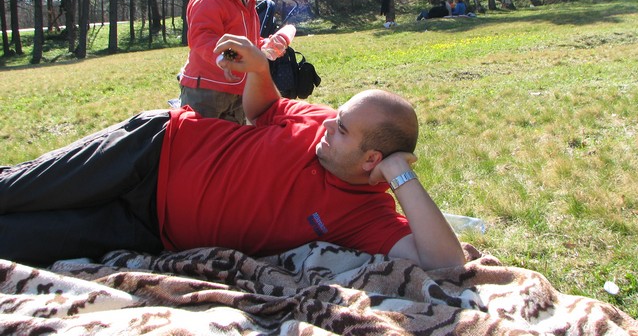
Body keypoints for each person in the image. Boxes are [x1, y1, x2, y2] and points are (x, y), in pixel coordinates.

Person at [0, 35, 465, 271]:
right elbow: (264, 111)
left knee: (14, 241)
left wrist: (402, 175)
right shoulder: (319, 119)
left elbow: (446, 263)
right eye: (336, 116)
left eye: (341, 129)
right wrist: (259, 71)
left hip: (149, 229)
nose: (326, 123)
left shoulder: (367, 216)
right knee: (12, 190)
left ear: (371, 161)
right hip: (152, 149)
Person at [178, 0, 275, 123]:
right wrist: (225, 56)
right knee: (201, 136)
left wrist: (263, 45)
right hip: (205, 89)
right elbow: (202, 38)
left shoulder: (246, 3)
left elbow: (246, 40)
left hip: (238, 89)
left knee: (232, 138)